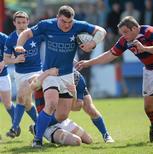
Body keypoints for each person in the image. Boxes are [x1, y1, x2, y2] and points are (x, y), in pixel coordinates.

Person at [15, 5, 106, 148]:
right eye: (63, 21)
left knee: (63, 115)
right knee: (51, 104)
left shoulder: (78, 26)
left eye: (70, 22)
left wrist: (93, 43)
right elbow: (26, 34)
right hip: (51, 73)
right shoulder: (47, 25)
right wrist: (19, 46)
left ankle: (38, 128)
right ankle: (37, 140)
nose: (67, 25)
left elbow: (102, 31)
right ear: (57, 17)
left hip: (68, 75)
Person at [76, 16, 153, 144]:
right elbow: (110, 55)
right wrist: (88, 63)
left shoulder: (149, 31)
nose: (124, 36)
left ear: (134, 28)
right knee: (148, 107)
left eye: (125, 32)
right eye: (122, 33)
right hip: (149, 69)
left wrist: (145, 48)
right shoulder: (125, 41)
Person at [31, 67, 114, 144]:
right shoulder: (50, 74)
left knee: (89, 140)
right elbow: (33, 86)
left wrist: (73, 94)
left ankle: (106, 134)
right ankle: (38, 128)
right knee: (76, 141)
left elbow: (76, 108)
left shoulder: (77, 79)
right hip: (48, 121)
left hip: (63, 120)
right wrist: (46, 73)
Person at [4, 11, 44, 138]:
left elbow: (50, 38)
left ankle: (14, 128)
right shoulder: (11, 39)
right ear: (14, 23)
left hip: (36, 72)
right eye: (18, 22)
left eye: (24, 22)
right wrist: (15, 60)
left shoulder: (35, 34)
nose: (21, 25)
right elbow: (6, 59)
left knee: (20, 96)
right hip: (20, 74)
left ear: (28, 22)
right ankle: (40, 126)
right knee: (26, 103)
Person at [0, 32, 15, 128]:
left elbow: (14, 54)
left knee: (7, 103)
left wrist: (3, 62)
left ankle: (15, 124)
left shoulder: (4, 38)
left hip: (3, 75)